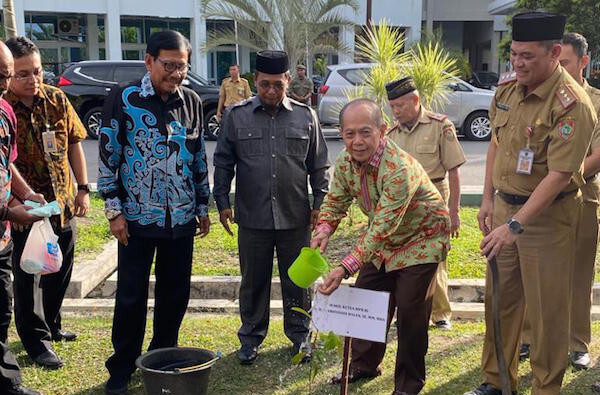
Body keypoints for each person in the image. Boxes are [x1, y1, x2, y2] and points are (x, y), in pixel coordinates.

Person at [465, 12, 597, 395]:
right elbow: (496, 144)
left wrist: (516, 225)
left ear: (555, 52)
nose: (518, 64)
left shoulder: (571, 104)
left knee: (546, 312)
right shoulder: (507, 90)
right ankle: (497, 381)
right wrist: (488, 199)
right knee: (500, 301)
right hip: (505, 209)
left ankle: (545, 387)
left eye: (528, 57)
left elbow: (559, 175)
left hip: (546, 220)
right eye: (515, 56)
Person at [98, 30, 210, 395]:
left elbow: (197, 158)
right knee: (131, 295)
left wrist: (202, 206)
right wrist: (114, 212)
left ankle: (162, 357)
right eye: (169, 65)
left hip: (180, 220)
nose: (176, 73)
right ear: (149, 62)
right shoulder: (124, 98)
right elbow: (108, 157)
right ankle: (121, 367)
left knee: (175, 293)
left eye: (182, 66)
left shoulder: (191, 100)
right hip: (136, 220)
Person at [314, 98, 450, 395]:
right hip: (385, 243)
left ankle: (408, 384)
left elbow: (381, 228)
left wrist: (345, 266)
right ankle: (364, 365)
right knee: (367, 298)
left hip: (421, 239)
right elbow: (335, 201)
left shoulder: (398, 168)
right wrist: (324, 229)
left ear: (382, 130)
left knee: (411, 314)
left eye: (365, 132)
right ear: (341, 134)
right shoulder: (346, 163)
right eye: (349, 134)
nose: (357, 141)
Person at [213, 50, 330, 365]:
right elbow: (223, 163)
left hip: (296, 217)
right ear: (255, 81)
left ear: (288, 81)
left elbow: (319, 166)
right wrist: (222, 201)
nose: (271, 91)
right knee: (253, 281)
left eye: (278, 85)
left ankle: (300, 336)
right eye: (265, 85)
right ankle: (250, 338)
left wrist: (320, 203)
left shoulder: (306, 117)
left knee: (298, 282)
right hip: (252, 217)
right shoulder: (237, 117)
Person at [5, 36, 90, 370]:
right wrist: (19, 200)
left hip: (60, 204)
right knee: (29, 277)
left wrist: (82, 188)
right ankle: (35, 339)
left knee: (60, 266)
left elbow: (74, 144)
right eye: (23, 74)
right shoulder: (4, 108)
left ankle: (52, 325)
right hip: (24, 210)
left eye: (37, 71)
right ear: (10, 73)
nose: (33, 80)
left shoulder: (56, 99)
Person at [520, 31, 600, 371]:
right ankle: (528, 337)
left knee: (578, 273)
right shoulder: (535, 95)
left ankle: (577, 342)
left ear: (583, 62)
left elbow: (597, 155)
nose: (559, 69)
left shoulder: (593, 101)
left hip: (581, 194)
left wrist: (561, 175)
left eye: (565, 63)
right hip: (535, 197)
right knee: (529, 272)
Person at [386, 77, 466, 330]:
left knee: (435, 258)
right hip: (402, 202)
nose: (396, 111)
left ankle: (440, 314)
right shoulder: (391, 134)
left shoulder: (439, 126)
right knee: (403, 257)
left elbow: (453, 171)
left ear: (415, 100)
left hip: (434, 197)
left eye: (400, 105)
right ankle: (407, 310)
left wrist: (454, 213)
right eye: (392, 107)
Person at [0, 40, 46, 395]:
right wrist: (9, 209)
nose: (4, 84)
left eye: (7, 76)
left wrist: (26, 194)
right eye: (1, 76)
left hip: (1, 237)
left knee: (1, 308)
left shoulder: (4, 113)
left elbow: (7, 163)